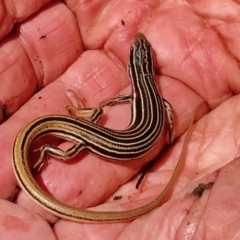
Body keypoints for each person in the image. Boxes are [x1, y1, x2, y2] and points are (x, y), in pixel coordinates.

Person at [0, 1, 239, 239]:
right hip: (105, 140)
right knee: (81, 135)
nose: (140, 43)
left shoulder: (138, 94)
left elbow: (151, 107)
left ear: (133, 68)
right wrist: (168, 130)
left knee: (87, 127)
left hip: (102, 139)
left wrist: (105, 105)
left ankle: (46, 151)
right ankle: (45, 152)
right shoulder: (153, 96)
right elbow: (165, 108)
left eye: (141, 48)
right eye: (140, 49)